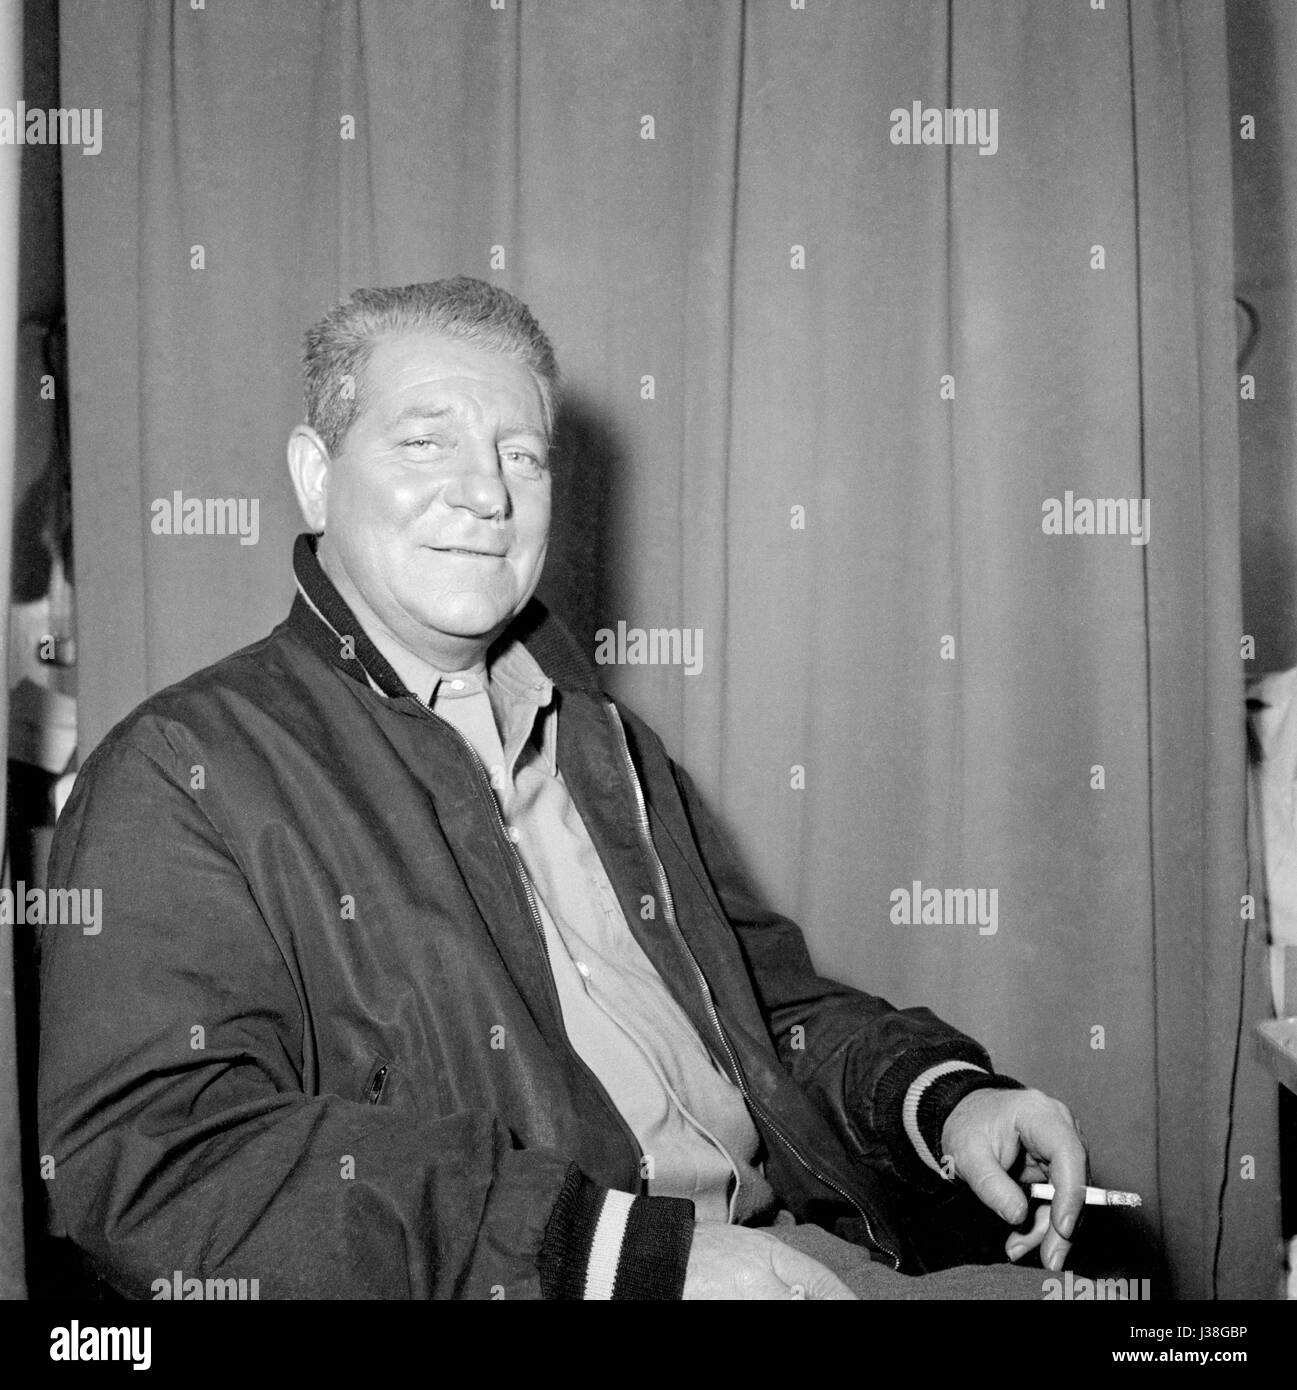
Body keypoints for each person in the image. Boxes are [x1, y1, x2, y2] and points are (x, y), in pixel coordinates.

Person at [38, 277, 1088, 1300]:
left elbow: (769, 1013)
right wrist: (611, 1257)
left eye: (520, 455)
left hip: (800, 1257)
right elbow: (158, 1167)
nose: (486, 492)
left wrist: (937, 1099)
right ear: (316, 475)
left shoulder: (607, 747)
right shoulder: (182, 770)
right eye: (424, 440)